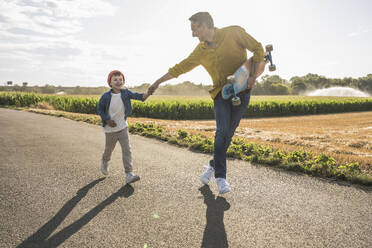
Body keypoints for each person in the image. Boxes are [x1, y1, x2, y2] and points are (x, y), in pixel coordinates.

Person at [148, 12, 266, 194]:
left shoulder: (234, 32)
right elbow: (181, 67)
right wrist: (157, 81)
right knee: (221, 132)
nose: (193, 34)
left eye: (195, 29)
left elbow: (258, 49)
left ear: (205, 25)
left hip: (242, 92)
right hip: (220, 94)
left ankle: (211, 167)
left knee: (227, 135)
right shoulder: (200, 51)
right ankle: (220, 178)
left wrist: (252, 76)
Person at [97, 70, 149, 184]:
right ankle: (105, 161)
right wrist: (106, 119)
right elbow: (100, 109)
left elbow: (139, 96)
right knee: (109, 149)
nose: (118, 81)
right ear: (110, 83)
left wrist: (148, 93)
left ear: (123, 81)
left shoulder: (126, 93)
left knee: (127, 150)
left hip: (122, 127)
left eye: (120, 79)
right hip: (110, 129)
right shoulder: (105, 96)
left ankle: (129, 174)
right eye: (115, 80)